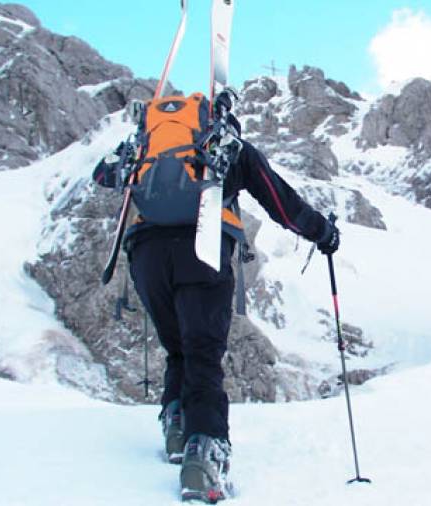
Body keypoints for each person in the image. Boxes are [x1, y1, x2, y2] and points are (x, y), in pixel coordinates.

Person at [94, 93, 339, 502]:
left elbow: (103, 176)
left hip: (146, 255)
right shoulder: (226, 146)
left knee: (177, 348)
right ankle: (203, 454)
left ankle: (176, 424)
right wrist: (322, 233)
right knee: (203, 352)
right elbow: (280, 202)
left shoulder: (144, 144)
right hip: (203, 248)